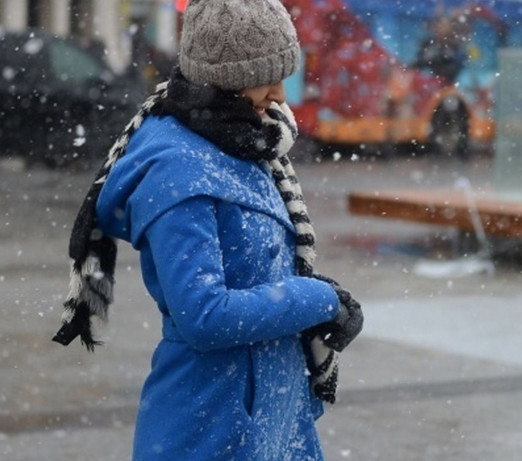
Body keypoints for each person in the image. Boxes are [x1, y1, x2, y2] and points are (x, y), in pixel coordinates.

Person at [51, 0, 363, 459]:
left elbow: (260, 273)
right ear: (229, 80)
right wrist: (317, 301)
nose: (281, 94)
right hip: (213, 424)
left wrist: (319, 298)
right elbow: (204, 316)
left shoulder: (244, 142)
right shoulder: (178, 168)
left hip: (271, 419)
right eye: (269, 76)